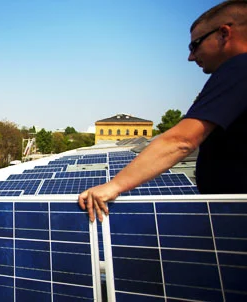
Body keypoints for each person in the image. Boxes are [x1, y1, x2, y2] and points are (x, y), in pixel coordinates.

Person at [78, 0, 247, 222]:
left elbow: (182, 140)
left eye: (194, 45)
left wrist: (114, 185)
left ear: (224, 34)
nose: (191, 57)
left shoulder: (239, 68)